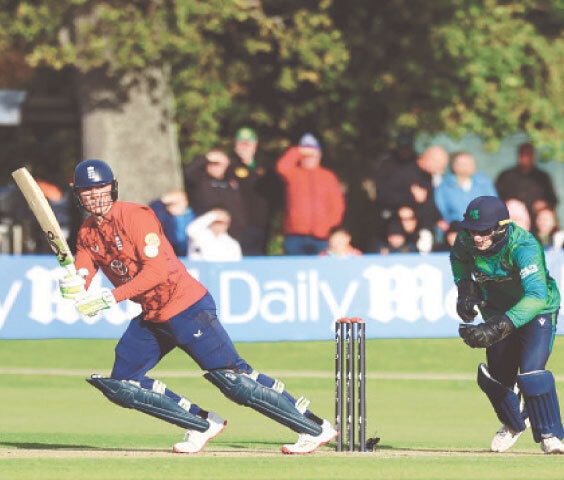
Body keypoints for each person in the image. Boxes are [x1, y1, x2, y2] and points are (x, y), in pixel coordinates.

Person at [58, 159, 337, 455]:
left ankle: (315, 428)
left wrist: (109, 298)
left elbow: (156, 273)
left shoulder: (135, 216)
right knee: (123, 384)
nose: (96, 196)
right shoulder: (88, 233)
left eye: (101, 188)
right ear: (79, 195)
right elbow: (83, 270)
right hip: (154, 315)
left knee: (234, 380)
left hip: (187, 306)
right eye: (88, 191)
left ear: (112, 187)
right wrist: (75, 284)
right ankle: (202, 425)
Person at [450, 195, 564, 454]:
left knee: (531, 374)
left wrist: (497, 327)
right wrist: (465, 290)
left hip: (537, 312)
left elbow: (536, 296)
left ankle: (550, 434)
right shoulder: (466, 240)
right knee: (497, 379)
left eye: (484, 231)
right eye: (472, 230)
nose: (476, 237)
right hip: (496, 310)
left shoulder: (523, 246)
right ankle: (514, 422)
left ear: (501, 226)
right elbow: (458, 259)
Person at [276, 133, 345, 255]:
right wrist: (300, 150)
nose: (309, 158)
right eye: (305, 156)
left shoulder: (328, 176)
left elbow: (337, 205)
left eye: (313, 155)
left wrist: (329, 227)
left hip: (321, 237)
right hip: (295, 235)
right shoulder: (293, 173)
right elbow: (281, 166)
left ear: (319, 155)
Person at [230, 127, 285, 256]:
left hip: (262, 224)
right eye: (241, 144)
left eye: (247, 144)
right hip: (237, 226)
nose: (244, 148)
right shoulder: (230, 167)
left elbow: (278, 193)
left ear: (255, 145)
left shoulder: (266, 167)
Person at [379, 145, 449, 242]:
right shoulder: (402, 173)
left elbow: (428, 202)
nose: (442, 171)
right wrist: (409, 199)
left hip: (420, 228)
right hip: (398, 229)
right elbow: (384, 196)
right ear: (429, 160)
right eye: (440, 166)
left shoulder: (428, 176)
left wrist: (438, 219)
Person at [183, 149, 247, 244]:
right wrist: (207, 157)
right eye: (211, 164)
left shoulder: (232, 180)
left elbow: (244, 169)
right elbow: (188, 172)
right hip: (205, 231)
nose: (214, 167)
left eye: (218, 164)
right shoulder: (201, 180)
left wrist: (225, 159)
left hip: (231, 233)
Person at [495, 142, 558, 218]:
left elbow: (553, 200)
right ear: (519, 156)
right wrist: (510, 205)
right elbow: (495, 199)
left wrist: (544, 204)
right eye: (524, 154)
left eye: (530, 154)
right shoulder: (506, 176)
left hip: (535, 221)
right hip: (512, 220)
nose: (527, 157)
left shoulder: (543, 177)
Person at [434, 151, 498, 224]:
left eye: (471, 163)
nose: (470, 166)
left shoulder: (483, 181)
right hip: (456, 224)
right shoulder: (444, 186)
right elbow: (441, 209)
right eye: (465, 164)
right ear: (454, 166)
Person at [149, 190, 196, 256]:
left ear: (185, 202)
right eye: (168, 205)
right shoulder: (165, 217)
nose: (170, 208)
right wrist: (163, 199)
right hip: (172, 253)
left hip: (191, 253)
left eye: (174, 204)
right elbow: (152, 208)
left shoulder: (194, 215)